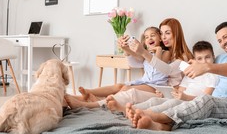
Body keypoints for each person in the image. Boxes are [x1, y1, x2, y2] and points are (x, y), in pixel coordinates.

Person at [126, 21, 227, 131]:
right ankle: (147, 116)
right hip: (217, 102)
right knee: (176, 102)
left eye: (225, 37)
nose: (223, 43)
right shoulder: (221, 58)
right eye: (219, 41)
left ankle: (156, 117)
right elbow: (202, 65)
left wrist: (206, 67)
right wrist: (191, 64)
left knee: (206, 100)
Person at [65, 18, 194, 109]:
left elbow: (166, 70)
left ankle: (91, 104)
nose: (164, 37)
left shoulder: (183, 57)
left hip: (165, 90)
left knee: (128, 90)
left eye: (168, 33)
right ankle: (86, 95)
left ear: (176, 34)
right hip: (153, 85)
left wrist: (145, 52)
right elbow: (138, 63)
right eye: (162, 33)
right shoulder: (163, 52)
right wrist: (127, 49)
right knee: (120, 85)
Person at [105, 40, 219, 113]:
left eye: (207, 57)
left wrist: (184, 98)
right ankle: (126, 109)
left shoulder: (213, 75)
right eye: (199, 58)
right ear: (195, 59)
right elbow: (179, 91)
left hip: (192, 103)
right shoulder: (190, 74)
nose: (204, 61)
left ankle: (133, 111)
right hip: (181, 99)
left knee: (168, 105)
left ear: (214, 57)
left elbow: (206, 99)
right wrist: (167, 94)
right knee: (156, 100)